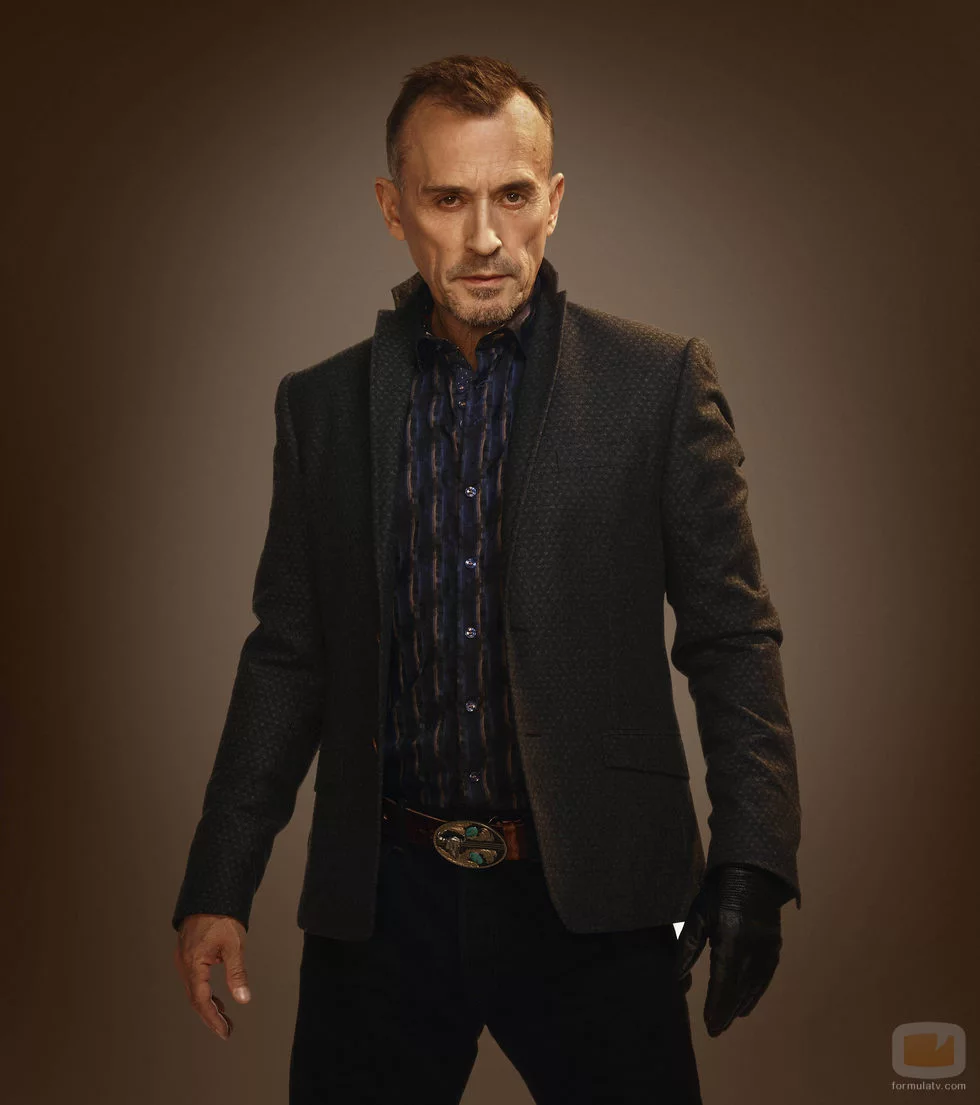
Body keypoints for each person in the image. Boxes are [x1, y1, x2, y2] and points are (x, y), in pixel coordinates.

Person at [172, 54, 802, 1105]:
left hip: (595, 901)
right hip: (382, 904)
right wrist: (218, 881)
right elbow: (287, 656)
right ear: (393, 208)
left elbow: (730, 637)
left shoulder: (655, 385)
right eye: (446, 199)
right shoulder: (320, 408)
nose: (483, 237)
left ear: (552, 202)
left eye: (511, 195)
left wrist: (754, 859)